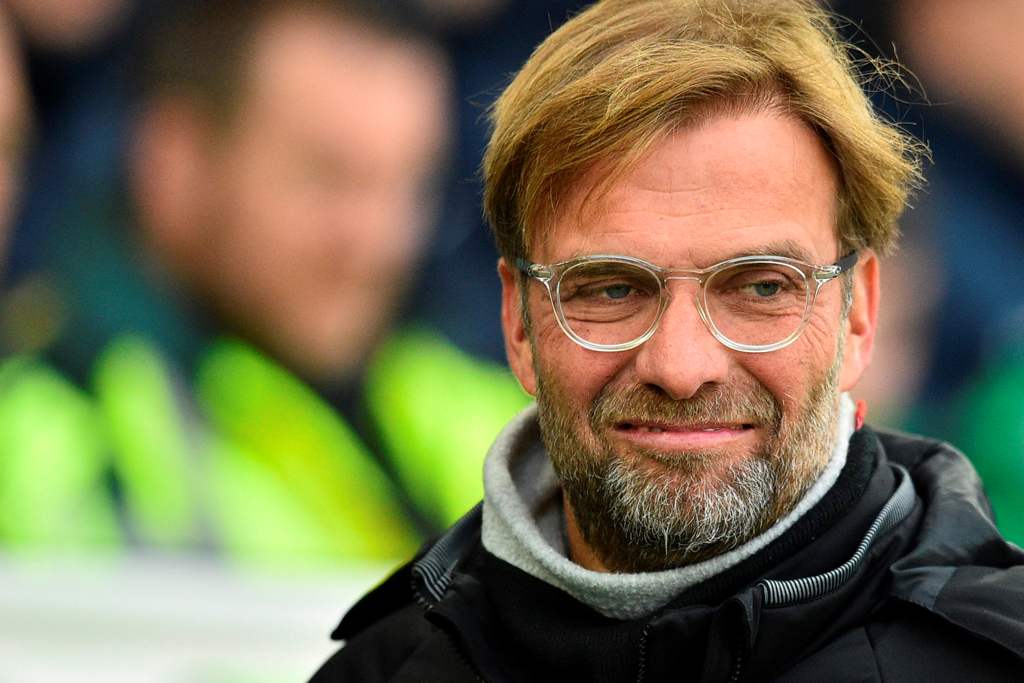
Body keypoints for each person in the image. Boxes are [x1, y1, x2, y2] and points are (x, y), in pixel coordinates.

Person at [311, 0, 1024, 679]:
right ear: (518, 321)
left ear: (858, 313)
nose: (681, 367)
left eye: (761, 288)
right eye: (611, 288)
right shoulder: (381, 669)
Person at [10, 0, 527, 565]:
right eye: (327, 178)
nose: (381, 240)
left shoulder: (471, 406)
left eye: (410, 186)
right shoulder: (45, 433)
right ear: (176, 159)